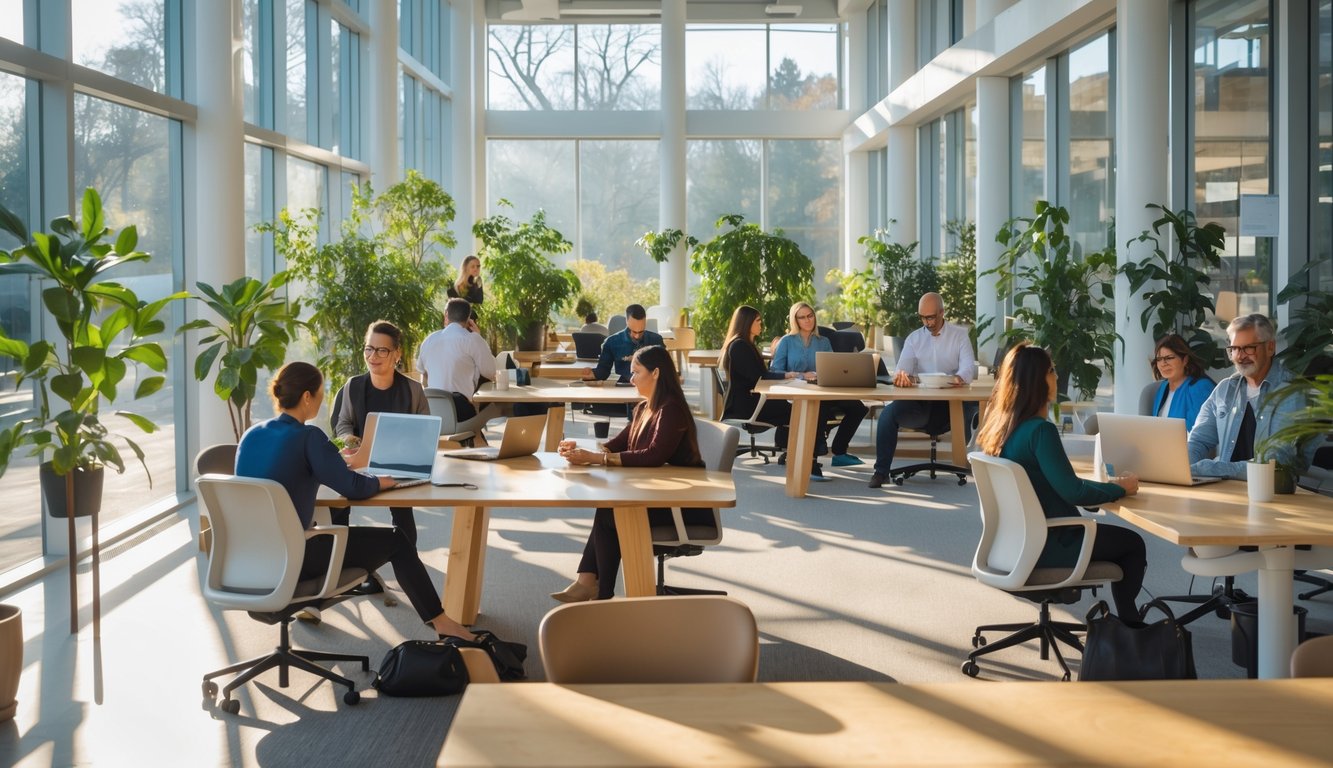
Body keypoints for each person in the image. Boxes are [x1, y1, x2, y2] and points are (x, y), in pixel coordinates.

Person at [235, 361, 476, 641]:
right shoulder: (309, 436)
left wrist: (334, 463)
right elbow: (354, 488)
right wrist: (382, 481)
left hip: (251, 559)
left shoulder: (251, 435)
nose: (323, 399)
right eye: (321, 392)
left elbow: (289, 471)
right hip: (295, 557)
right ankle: (443, 624)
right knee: (398, 541)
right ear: (306, 397)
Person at [976, 343, 1146, 618]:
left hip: (1011, 543)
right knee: (1133, 544)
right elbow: (1073, 492)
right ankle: (1131, 627)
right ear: (1037, 380)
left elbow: (1059, 483)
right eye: (1052, 370)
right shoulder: (1040, 431)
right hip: (1050, 543)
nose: (1057, 376)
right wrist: (1120, 488)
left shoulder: (999, 426)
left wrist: (1102, 489)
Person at [550, 346, 708, 601]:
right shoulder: (644, 408)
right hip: (655, 496)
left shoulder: (671, 409)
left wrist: (598, 459)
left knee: (610, 513)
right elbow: (614, 445)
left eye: (636, 372)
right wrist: (580, 449)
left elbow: (654, 456)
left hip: (682, 505)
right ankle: (592, 585)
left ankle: (596, 589)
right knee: (609, 509)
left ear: (656, 372)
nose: (631, 378)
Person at [332, 320, 428, 547]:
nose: (373, 356)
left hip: (399, 466)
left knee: (404, 522)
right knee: (337, 511)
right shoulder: (352, 386)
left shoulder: (413, 390)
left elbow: (425, 432)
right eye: (369, 348)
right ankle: (337, 561)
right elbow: (342, 423)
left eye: (381, 350)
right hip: (358, 463)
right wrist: (349, 438)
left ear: (397, 353)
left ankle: (406, 556)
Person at [869, 292, 977, 488]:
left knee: (975, 405)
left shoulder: (959, 335)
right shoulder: (914, 339)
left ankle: (975, 465)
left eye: (931, 317)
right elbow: (902, 370)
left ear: (942, 313)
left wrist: (959, 378)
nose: (926, 322)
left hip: (951, 408)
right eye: (922, 317)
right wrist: (901, 378)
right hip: (920, 407)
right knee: (887, 415)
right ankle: (881, 472)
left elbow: (969, 368)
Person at [1188, 314, 1311, 479]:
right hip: (1227, 490)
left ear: (1270, 347)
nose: (1240, 356)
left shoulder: (1291, 391)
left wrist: (1211, 469)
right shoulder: (1224, 390)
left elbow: (1275, 462)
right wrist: (1184, 469)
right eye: (1234, 349)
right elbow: (1198, 441)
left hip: (1275, 493)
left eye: (1248, 348)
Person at [720, 305, 826, 480]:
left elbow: (759, 376)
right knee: (804, 411)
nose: (761, 324)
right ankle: (805, 461)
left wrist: (786, 376)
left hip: (751, 400)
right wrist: (787, 375)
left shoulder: (745, 344)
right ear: (747, 323)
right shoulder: (740, 346)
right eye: (758, 321)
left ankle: (804, 457)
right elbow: (758, 377)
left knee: (803, 408)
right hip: (748, 405)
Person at [769, 301, 867, 467]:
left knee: (858, 408)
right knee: (819, 407)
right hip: (798, 392)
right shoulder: (787, 341)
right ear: (795, 320)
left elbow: (833, 367)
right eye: (802, 317)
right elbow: (775, 370)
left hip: (823, 389)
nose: (808, 320)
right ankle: (812, 461)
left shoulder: (824, 341)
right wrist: (801, 375)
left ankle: (839, 450)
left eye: (810, 316)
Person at [417, 298, 503, 426]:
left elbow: (424, 377)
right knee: (498, 411)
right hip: (461, 413)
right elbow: (492, 372)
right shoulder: (472, 340)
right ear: (469, 319)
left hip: (433, 414)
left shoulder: (429, 340)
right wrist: (479, 337)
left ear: (446, 315)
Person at [583, 303, 664, 384]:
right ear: (627, 321)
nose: (637, 336)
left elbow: (665, 370)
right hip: (623, 387)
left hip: (651, 387)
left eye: (641, 331)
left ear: (645, 323)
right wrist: (592, 374)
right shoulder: (611, 342)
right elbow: (603, 372)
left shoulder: (656, 340)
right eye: (634, 331)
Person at [1148, 333, 1215, 431]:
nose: (1163, 364)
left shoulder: (1201, 387)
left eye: (1169, 358)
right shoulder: (1162, 388)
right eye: (1159, 359)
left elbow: (1197, 434)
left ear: (1185, 360)